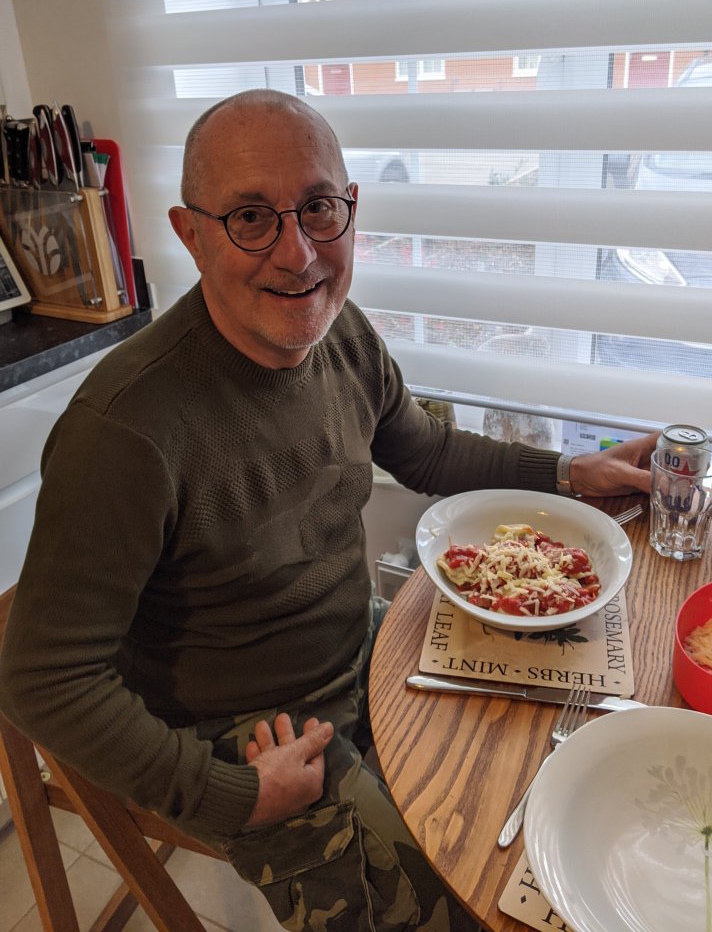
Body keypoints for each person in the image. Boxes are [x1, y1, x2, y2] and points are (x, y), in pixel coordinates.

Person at [0, 90, 656, 931]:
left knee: (532, 766)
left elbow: (425, 450)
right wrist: (232, 793)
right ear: (191, 234)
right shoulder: (124, 431)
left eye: (318, 207)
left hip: (357, 646)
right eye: (250, 217)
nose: (298, 253)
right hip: (245, 731)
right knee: (473, 914)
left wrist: (570, 473)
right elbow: (39, 679)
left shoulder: (341, 336)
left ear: (351, 208)